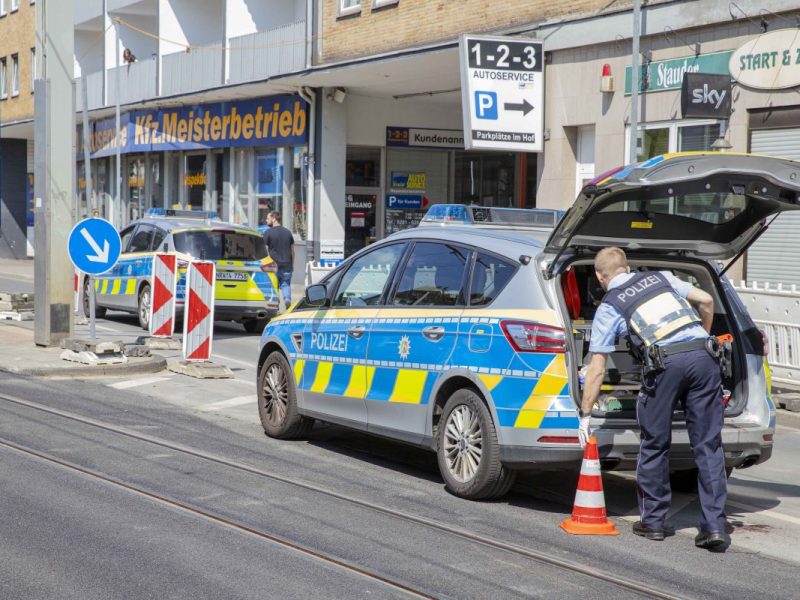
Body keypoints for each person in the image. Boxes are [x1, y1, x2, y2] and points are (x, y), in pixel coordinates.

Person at [578, 247, 729, 551]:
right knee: (709, 445)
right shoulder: (661, 277)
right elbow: (706, 300)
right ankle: (714, 527)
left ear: (599, 277)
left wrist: (585, 414)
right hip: (704, 358)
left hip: (665, 366)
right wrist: (700, 339)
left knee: (655, 442)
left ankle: (654, 523)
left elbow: (596, 369)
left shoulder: (610, 304)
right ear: (627, 267)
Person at [262, 211, 294, 306]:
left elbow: (264, 250)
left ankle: (276, 302)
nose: (266, 220)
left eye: (268, 218)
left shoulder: (268, 233)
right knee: (286, 284)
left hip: (273, 265)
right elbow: (292, 250)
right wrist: (292, 265)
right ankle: (287, 299)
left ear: (273, 218)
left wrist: (264, 264)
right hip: (287, 264)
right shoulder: (288, 232)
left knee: (273, 285)